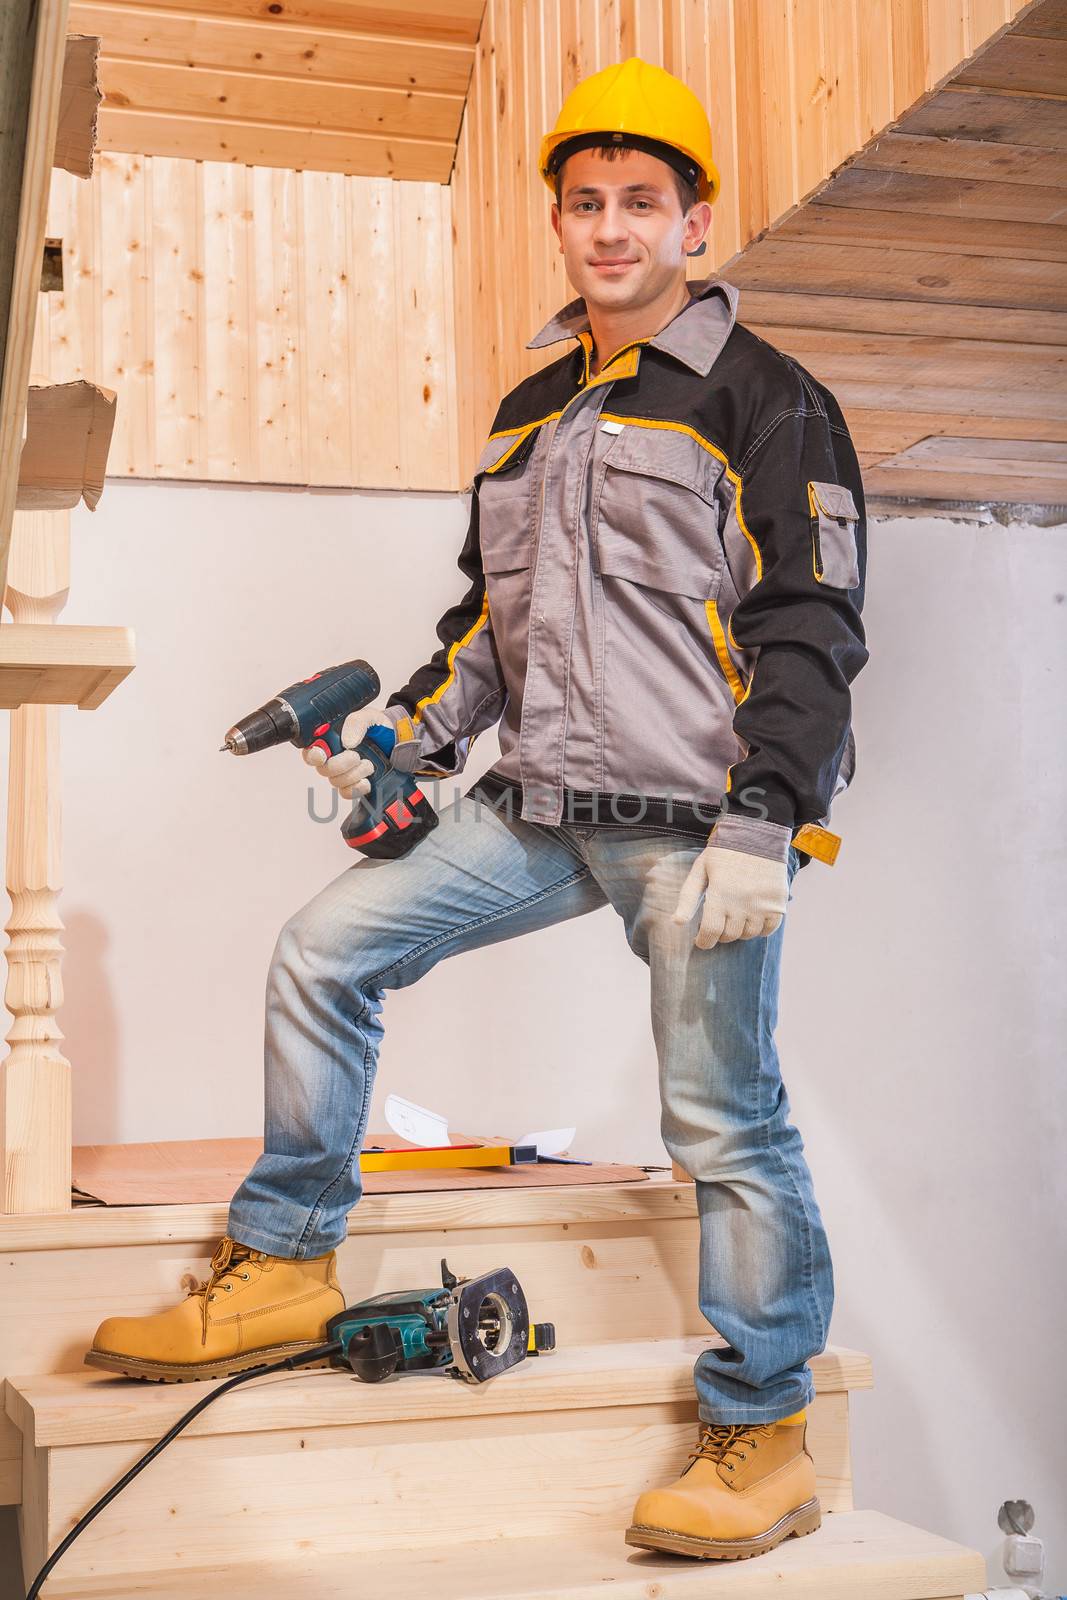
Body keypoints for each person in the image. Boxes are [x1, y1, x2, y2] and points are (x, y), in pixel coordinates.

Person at [87, 58, 868, 1562]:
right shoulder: (530, 411)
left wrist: (772, 818)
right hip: (536, 806)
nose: (612, 229)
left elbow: (811, 624)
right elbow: (489, 631)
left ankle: (762, 1425)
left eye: (645, 203)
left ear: (697, 222)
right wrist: (406, 734)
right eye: (587, 204)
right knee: (326, 950)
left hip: (695, 830)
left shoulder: (769, 404)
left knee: (723, 1116)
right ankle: (283, 1258)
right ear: (561, 223)